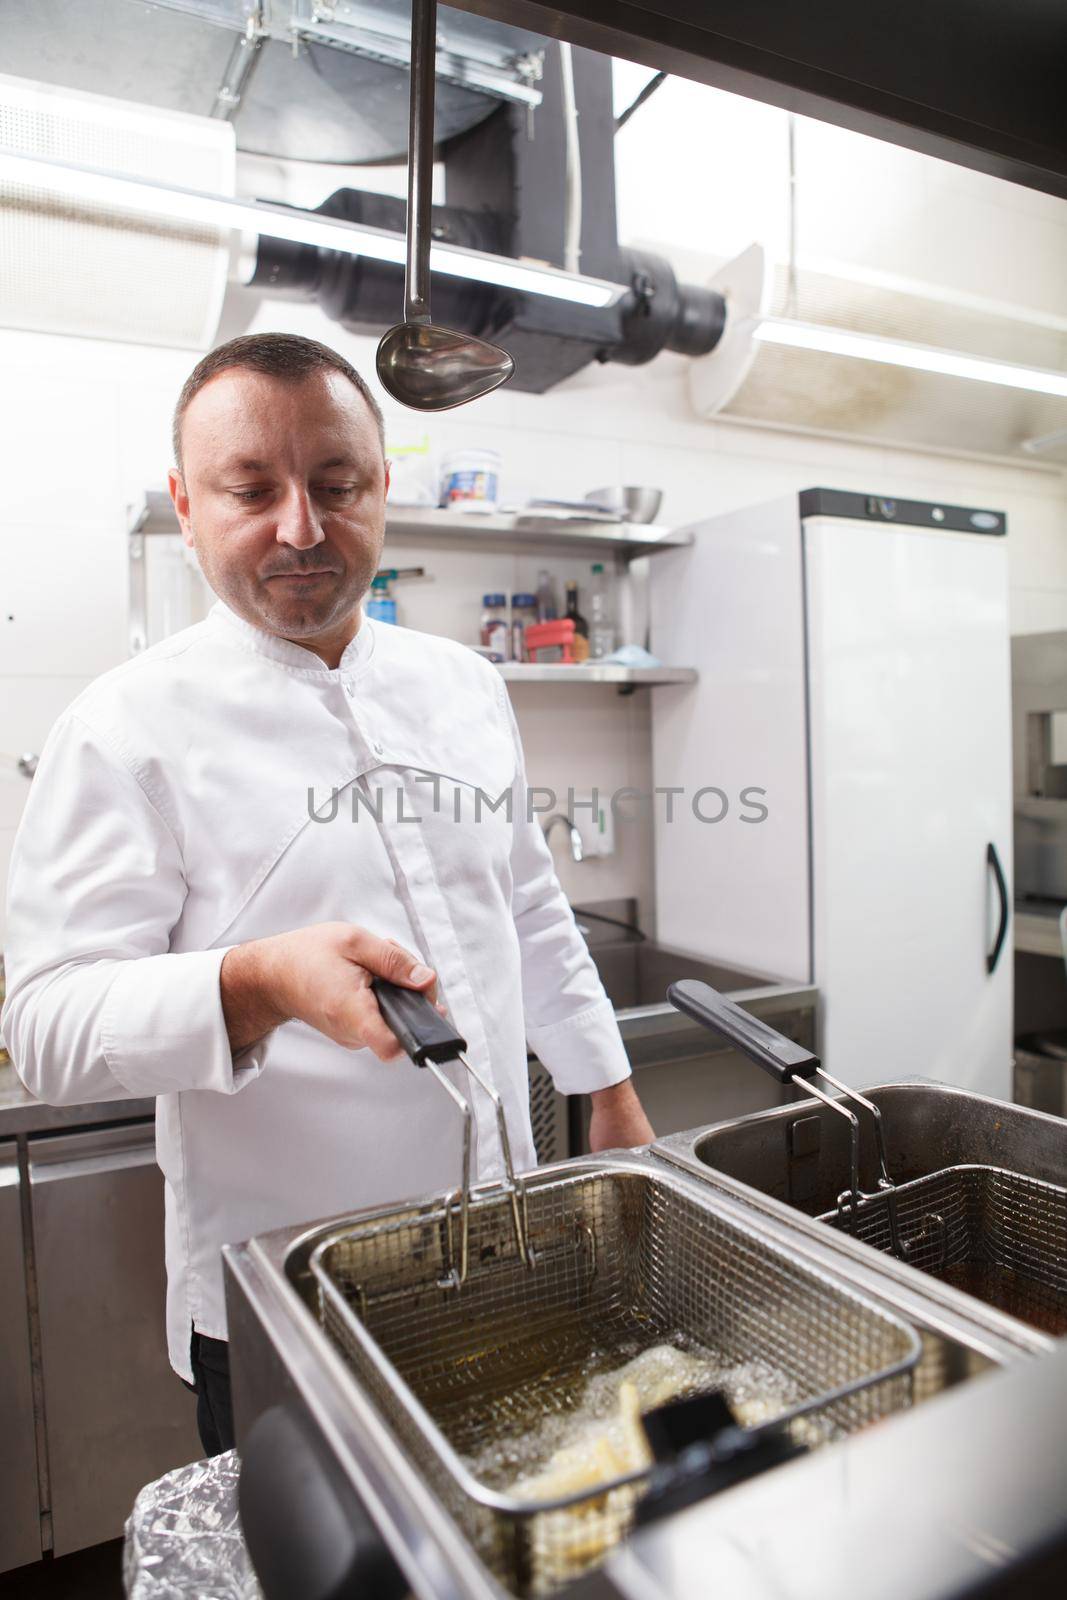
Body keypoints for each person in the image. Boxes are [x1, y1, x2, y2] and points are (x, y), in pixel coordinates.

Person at [1, 332, 653, 1457]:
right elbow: (45, 1023)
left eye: (336, 484)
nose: (299, 527)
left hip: (506, 1240)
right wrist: (255, 983)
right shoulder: (124, 729)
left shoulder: (462, 684)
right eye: (249, 490)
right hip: (290, 1292)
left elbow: (528, 906)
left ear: (381, 488)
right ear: (186, 502)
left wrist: (608, 1090)